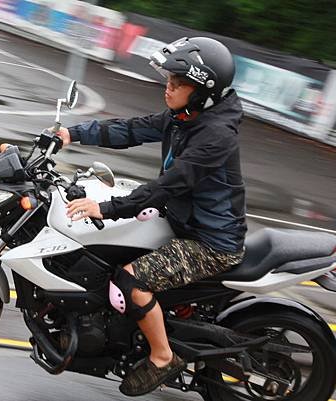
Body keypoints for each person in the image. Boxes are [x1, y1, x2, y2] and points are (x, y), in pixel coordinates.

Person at [57, 37, 247, 396]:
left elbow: (169, 185)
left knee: (130, 282)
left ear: (202, 91)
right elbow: (130, 129)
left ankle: (162, 357)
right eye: (168, 80)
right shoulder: (186, 118)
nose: (168, 88)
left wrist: (108, 208)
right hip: (183, 221)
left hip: (209, 242)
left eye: (178, 83)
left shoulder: (215, 136)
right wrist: (71, 133)